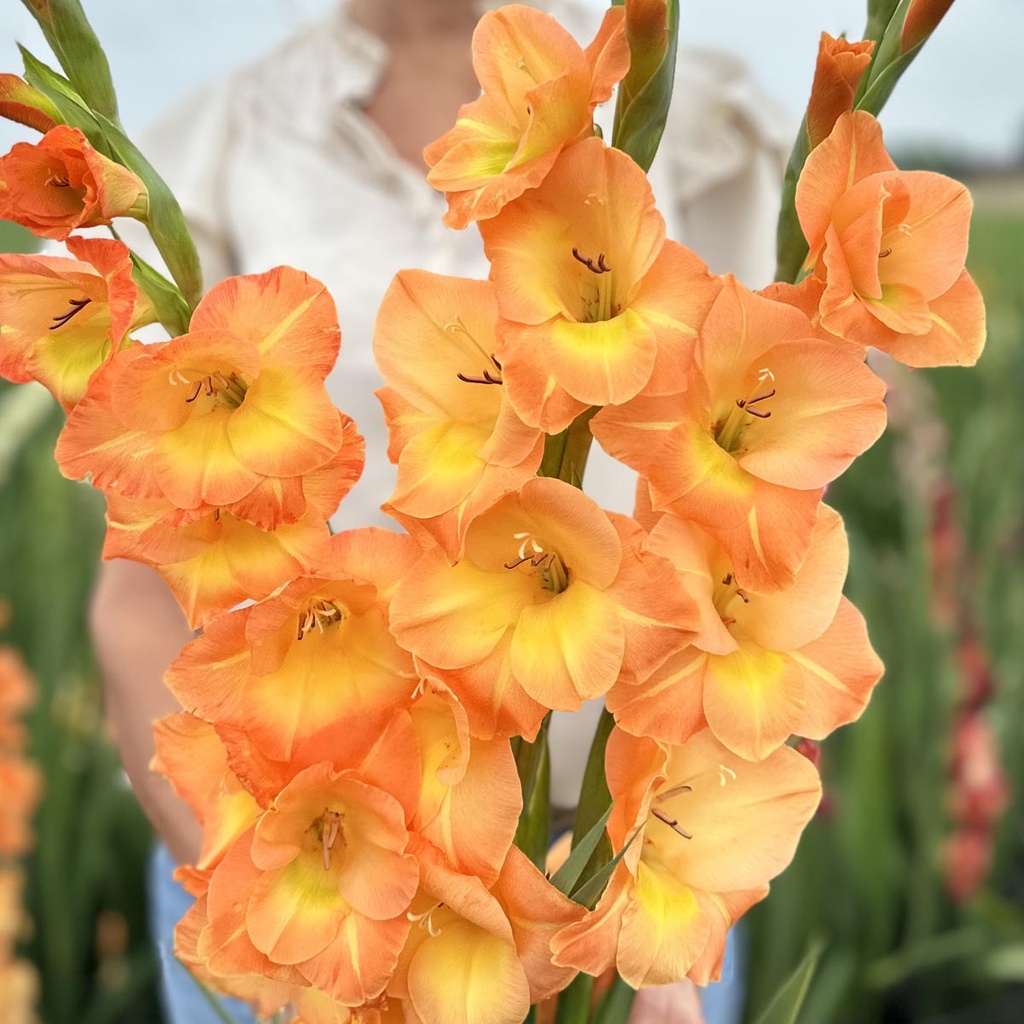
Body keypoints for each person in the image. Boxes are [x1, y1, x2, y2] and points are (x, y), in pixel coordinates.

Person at [89, 2, 792, 1021]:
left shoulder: (682, 108)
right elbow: (136, 593)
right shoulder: (222, 144)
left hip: (627, 858)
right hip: (299, 864)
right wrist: (298, 923)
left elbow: (758, 548)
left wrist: (654, 951)